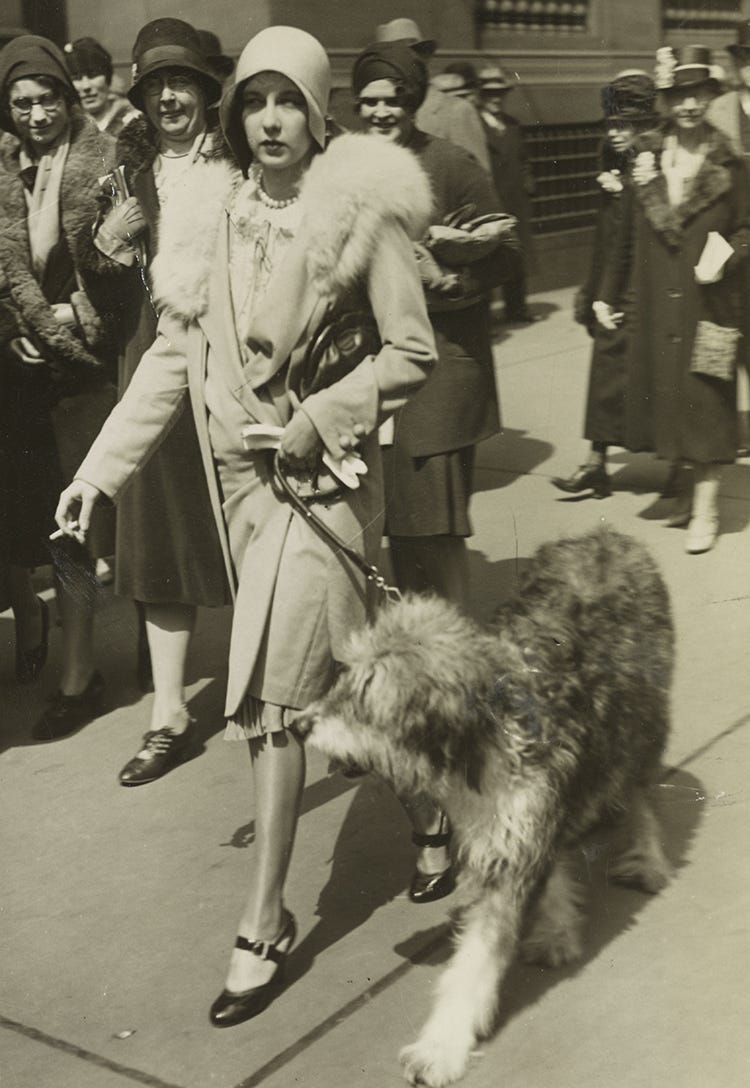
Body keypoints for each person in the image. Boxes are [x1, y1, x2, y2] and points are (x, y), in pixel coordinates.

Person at [56, 25, 435, 1025]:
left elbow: (412, 351)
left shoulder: (362, 217)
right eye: (255, 102)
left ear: (318, 115)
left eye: (289, 103)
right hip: (245, 500)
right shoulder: (216, 219)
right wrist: (99, 470)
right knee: (345, 682)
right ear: (239, 115)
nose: (270, 120)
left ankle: (264, 920)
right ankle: (430, 802)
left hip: (327, 488)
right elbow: (172, 362)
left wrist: (320, 414)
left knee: (271, 701)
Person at [352, 40, 515, 902]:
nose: (380, 112)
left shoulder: (450, 162)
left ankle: (460, 703)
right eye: (368, 100)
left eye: (392, 99)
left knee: (434, 549)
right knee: (383, 558)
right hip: (368, 384)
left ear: (413, 98)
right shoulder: (346, 166)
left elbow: (498, 261)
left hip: (439, 378)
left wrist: (436, 269)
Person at [93, 18, 232, 786]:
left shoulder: (241, 158)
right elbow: (103, 286)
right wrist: (112, 240)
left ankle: (277, 692)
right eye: (155, 87)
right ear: (141, 97)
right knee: (156, 535)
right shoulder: (129, 174)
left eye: (182, 83)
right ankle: (169, 713)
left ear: (207, 92)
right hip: (155, 358)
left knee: (252, 525)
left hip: (238, 359)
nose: (169, 97)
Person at [0, 35, 122, 732]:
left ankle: (80, 671)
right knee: (40, 527)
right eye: (23, 102)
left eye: (49, 98)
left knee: (75, 530)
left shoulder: (101, 161)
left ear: (68, 98)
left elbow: (124, 262)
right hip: (20, 377)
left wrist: (73, 314)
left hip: (83, 369)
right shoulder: (4, 168)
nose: (38, 114)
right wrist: (10, 328)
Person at [597, 45, 750, 554]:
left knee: (707, 403)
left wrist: (725, 256)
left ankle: (706, 508)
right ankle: (685, 491)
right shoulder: (645, 154)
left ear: (711, 95)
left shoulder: (731, 160)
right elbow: (623, 234)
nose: (689, 104)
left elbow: (747, 230)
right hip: (659, 307)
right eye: (679, 94)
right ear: (667, 99)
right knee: (672, 400)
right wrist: (606, 293)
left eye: (697, 93)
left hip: (713, 306)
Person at [553, 71, 658, 500]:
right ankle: (596, 462)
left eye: (625, 125)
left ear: (645, 124)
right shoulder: (613, 160)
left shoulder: (655, 163)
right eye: (611, 124)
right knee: (606, 367)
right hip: (614, 279)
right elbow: (608, 234)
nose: (615, 133)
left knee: (659, 375)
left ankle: (680, 465)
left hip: (648, 281)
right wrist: (597, 290)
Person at [707, 20, 750, 455]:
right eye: (747, 59)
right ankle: (729, 431)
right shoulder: (717, 111)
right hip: (730, 243)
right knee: (726, 337)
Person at [374, 18, 491, 172]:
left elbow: (479, 184)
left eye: (406, 60)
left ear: (423, 60)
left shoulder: (456, 111)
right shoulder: (380, 114)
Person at [477, 64, 537, 323]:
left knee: (516, 255)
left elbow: (523, 159)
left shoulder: (513, 125)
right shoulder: (474, 126)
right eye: (489, 93)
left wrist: (527, 183)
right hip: (489, 200)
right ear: (480, 95)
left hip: (514, 199)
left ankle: (517, 307)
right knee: (487, 256)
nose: (495, 98)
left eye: (499, 93)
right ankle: (486, 315)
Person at [63, 37, 138, 137]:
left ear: (107, 77)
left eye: (93, 75)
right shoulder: (67, 129)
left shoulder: (132, 120)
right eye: (77, 78)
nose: (86, 86)